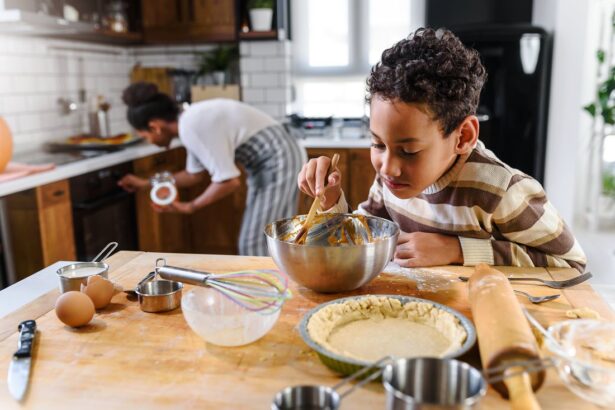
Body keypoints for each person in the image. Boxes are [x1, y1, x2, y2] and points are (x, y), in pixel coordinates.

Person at [298, 28, 587, 273]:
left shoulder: (502, 192)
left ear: (463, 136)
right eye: (378, 144)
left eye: (409, 151)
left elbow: (569, 263)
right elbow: (363, 238)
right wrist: (331, 200)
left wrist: (458, 251)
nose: (387, 165)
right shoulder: (390, 178)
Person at [119, 82, 306, 256]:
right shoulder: (189, 122)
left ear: (155, 127)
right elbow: (193, 176)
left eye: (145, 136)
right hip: (274, 159)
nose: (149, 141)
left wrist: (190, 207)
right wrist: (145, 184)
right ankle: (280, 288)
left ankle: (267, 290)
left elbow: (228, 181)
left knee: (254, 242)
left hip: (278, 159)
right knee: (274, 238)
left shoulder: (191, 125)